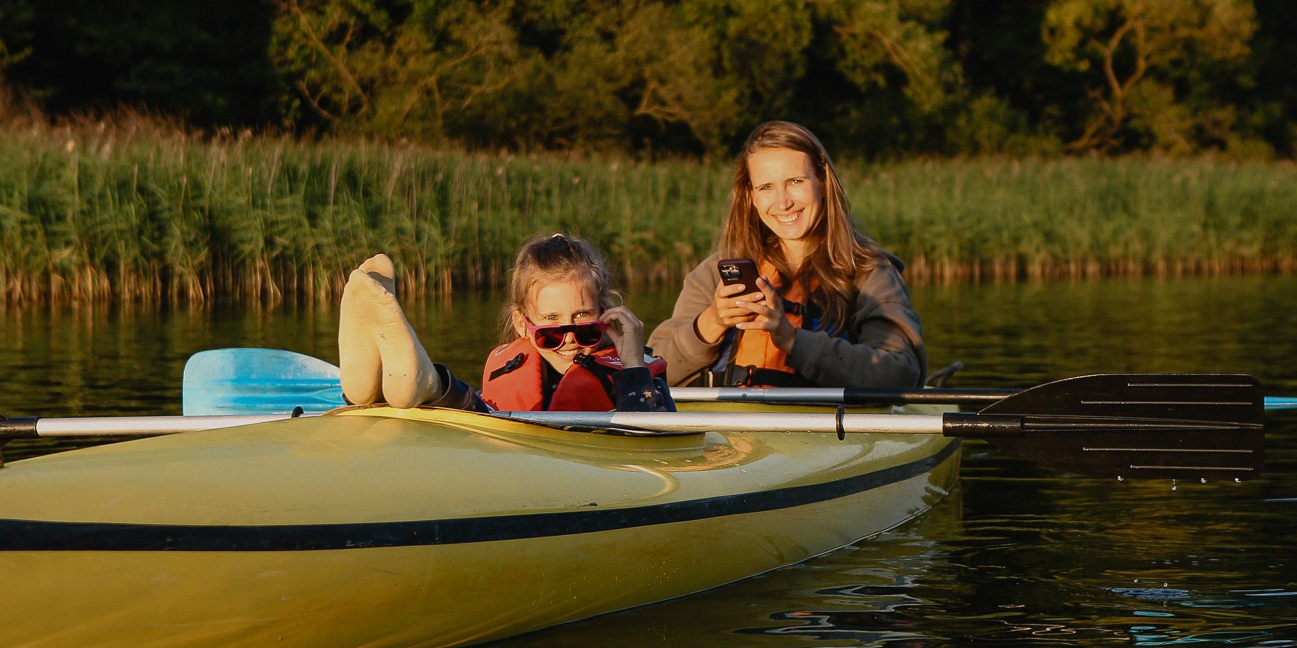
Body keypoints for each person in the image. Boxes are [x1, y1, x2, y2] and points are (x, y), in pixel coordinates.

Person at [649, 120, 926, 389]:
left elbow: (901, 371)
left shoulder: (869, 272)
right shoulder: (713, 273)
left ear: (822, 183)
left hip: (824, 429)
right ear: (751, 196)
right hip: (725, 429)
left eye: (795, 181)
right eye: (766, 187)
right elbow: (651, 370)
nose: (783, 202)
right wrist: (713, 322)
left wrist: (790, 338)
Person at [337, 234, 674, 413]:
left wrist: (632, 365)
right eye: (551, 326)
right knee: (474, 407)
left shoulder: (636, 376)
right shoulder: (513, 363)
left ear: (606, 314)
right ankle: (372, 390)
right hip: (515, 455)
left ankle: (426, 382)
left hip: (585, 466)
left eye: (583, 320)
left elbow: (661, 449)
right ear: (524, 325)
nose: (568, 338)